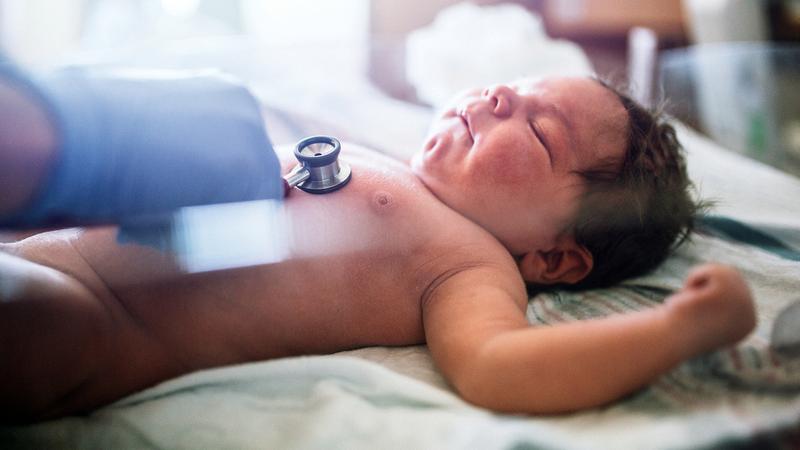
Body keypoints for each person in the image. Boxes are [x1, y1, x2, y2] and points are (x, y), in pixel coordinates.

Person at [0, 76, 756, 423]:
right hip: (50, 227)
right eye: (515, 88)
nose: (498, 99)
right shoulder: (390, 160)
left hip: (94, 319)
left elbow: (501, 371)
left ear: (556, 258)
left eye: (537, 130)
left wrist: (675, 331)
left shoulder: (467, 265)